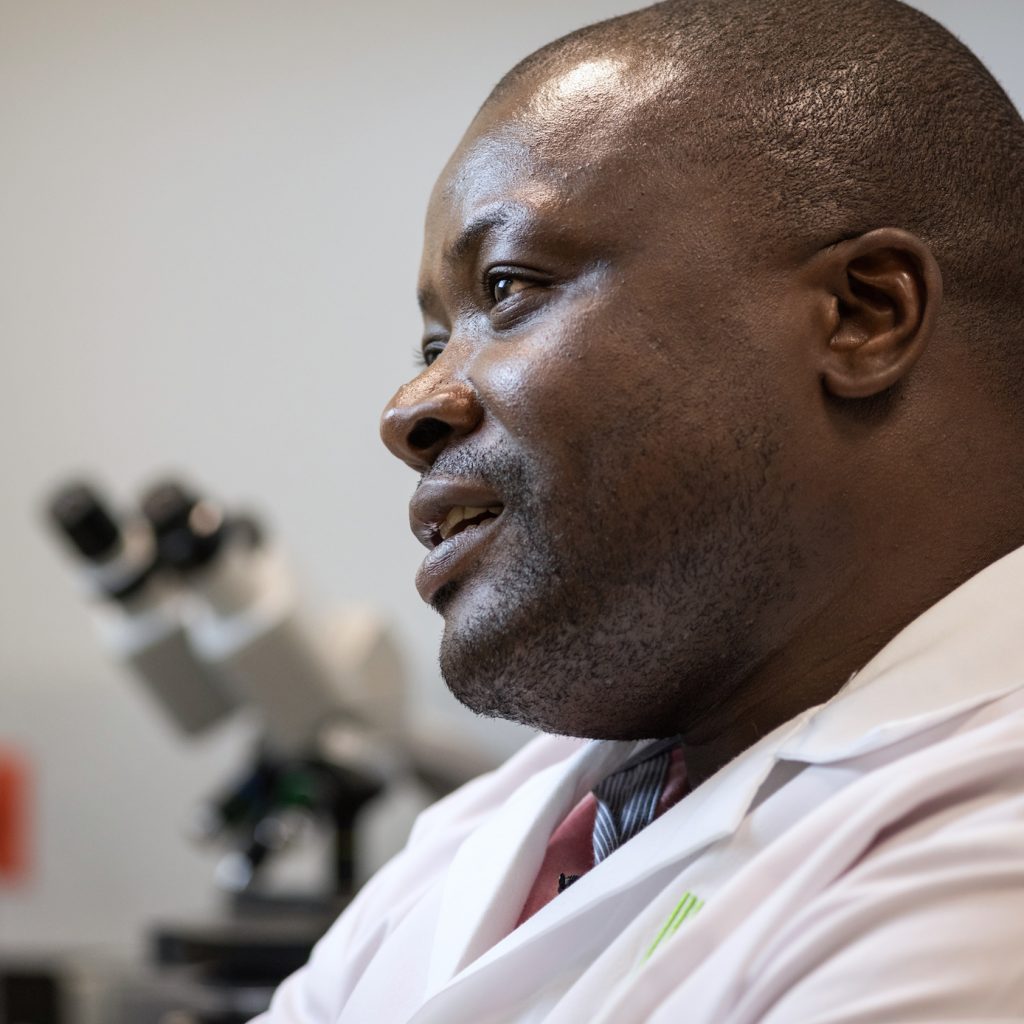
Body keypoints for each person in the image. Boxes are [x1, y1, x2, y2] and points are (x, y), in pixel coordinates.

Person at [257, 0, 1024, 1019]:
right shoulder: (501, 829)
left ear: (860, 315)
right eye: (432, 347)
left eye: (509, 285)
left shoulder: (984, 861)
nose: (411, 409)